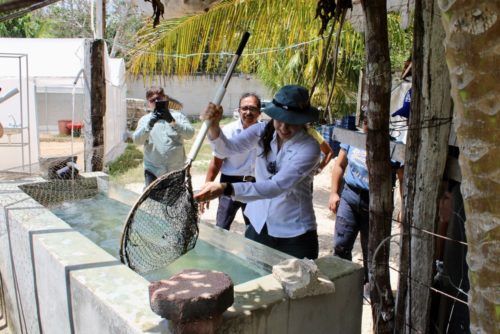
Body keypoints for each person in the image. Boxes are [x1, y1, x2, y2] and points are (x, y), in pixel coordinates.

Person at [195, 85, 321, 259]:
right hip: (259, 225)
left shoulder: (309, 148)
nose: (283, 127)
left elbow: (275, 187)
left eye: (291, 121)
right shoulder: (261, 131)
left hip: (294, 233)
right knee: (255, 280)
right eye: (279, 119)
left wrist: (226, 188)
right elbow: (227, 149)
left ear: (304, 120)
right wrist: (214, 126)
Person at [328, 113, 402, 284]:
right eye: (365, 119)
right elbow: (339, 165)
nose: (367, 123)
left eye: (372, 119)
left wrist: (403, 208)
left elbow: (402, 179)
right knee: (341, 245)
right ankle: (343, 285)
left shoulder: (393, 147)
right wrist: (334, 193)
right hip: (350, 197)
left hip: (377, 205)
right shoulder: (354, 139)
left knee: (374, 253)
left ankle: (370, 289)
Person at [201, 93, 262, 230]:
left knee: (255, 229)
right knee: (221, 228)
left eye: (252, 108)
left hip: (255, 186)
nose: (248, 112)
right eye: (244, 108)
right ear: (239, 110)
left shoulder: (266, 132)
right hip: (229, 184)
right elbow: (217, 161)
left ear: (259, 112)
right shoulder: (228, 131)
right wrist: (207, 186)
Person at [133, 86, 194, 186]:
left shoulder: (178, 116)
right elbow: (137, 140)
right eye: (152, 100)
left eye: (159, 99)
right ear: (148, 103)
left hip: (176, 171)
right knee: (152, 201)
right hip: (153, 171)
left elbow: (190, 134)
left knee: (176, 201)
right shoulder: (145, 120)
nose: (156, 102)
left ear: (165, 98)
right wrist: (149, 125)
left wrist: (172, 121)